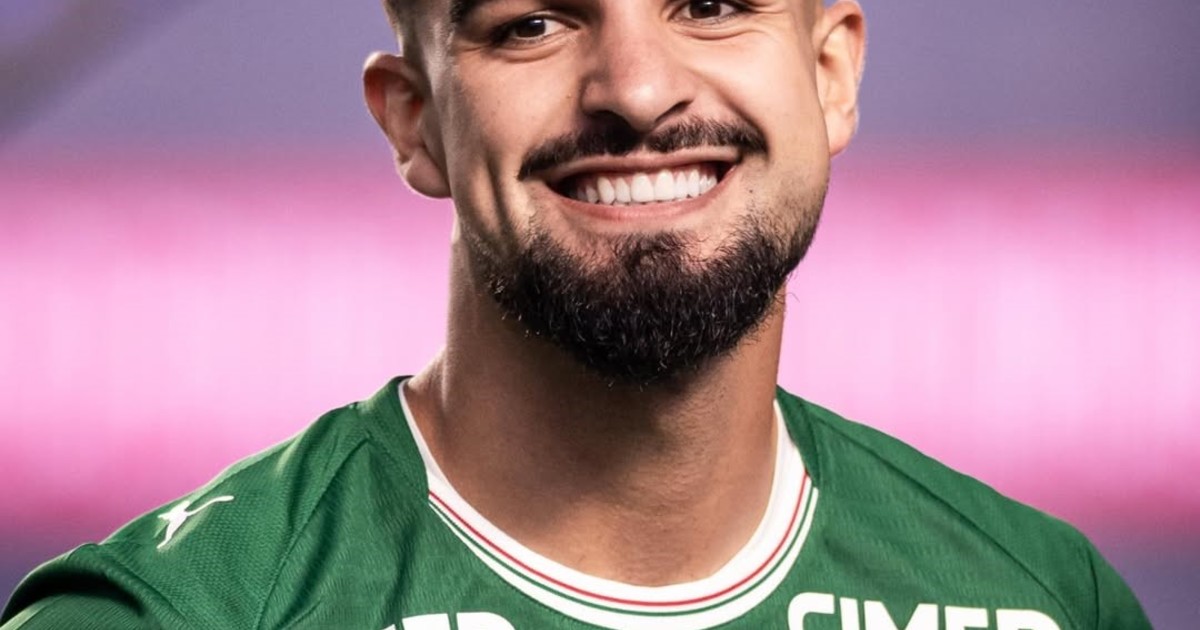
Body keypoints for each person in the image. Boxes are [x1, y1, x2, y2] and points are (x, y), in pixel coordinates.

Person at [2, 0, 1151, 627]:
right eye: (532, 24)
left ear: (833, 73)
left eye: (711, 4)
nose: (638, 91)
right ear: (415, 122)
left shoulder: (1046, 600)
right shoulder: (173, 618)